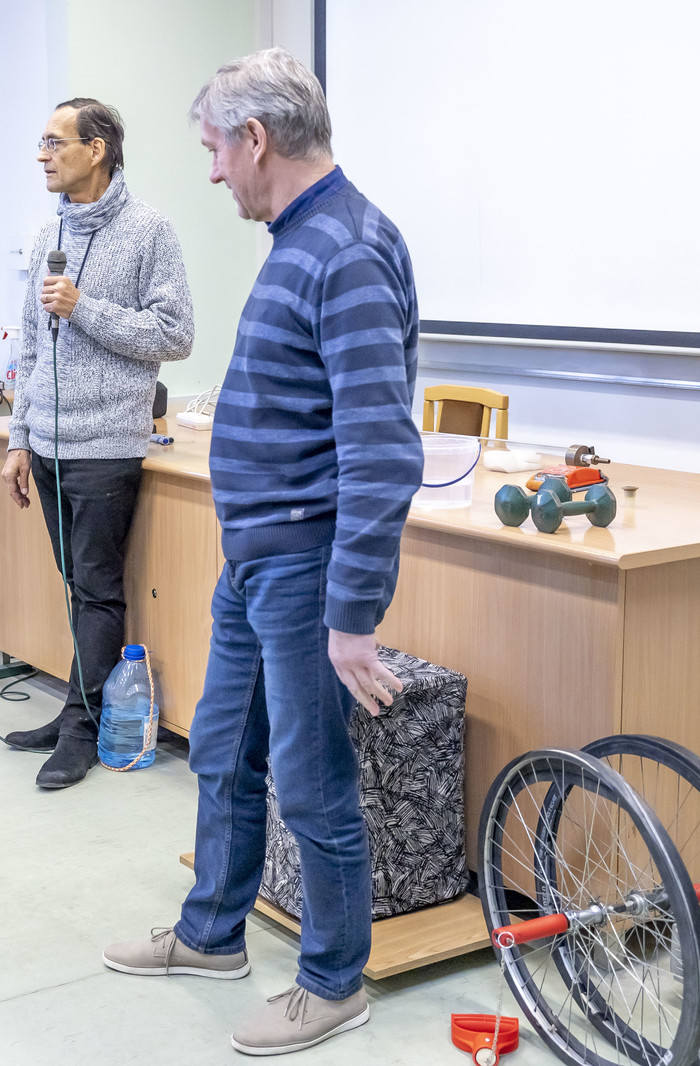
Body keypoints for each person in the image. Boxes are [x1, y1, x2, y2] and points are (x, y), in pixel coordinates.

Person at [102, 49, 423, 1056]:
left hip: (304, 566)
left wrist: (351, 616)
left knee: (310, 779)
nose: (211, 172)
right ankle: (211, 934)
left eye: (214, 149)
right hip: (254, 560)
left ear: (255, 139)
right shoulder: (298, 239)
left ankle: (333, 981)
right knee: (223, 750)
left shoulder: (347, 250)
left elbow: (381, 449)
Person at [0, 98, 195, 789]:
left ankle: (82, 731)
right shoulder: (46, 234)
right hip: (47, 445)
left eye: (55, 142)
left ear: (98, 149)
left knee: (99, 591)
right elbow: (31, 347)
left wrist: (85, 307)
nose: (42, 155)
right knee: (77, 587)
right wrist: (19, 438)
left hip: (107, 445)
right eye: (41, 142)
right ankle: (74, 712)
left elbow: (175, 335)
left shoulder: (149, 231)